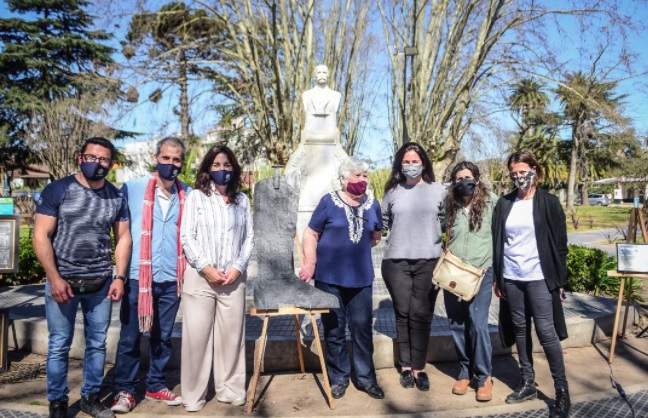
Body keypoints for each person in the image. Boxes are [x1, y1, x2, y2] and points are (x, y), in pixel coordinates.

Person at [34, 137, 131, 418]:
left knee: (97, 344)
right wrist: (53, 278)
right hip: (62, 282)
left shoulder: (117, 196)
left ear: (112, 164)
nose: (97, 163)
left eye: (104, 160)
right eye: (91, 157)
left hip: (100, 283)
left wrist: (119, 277)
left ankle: (90, 397)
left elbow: (123, 238)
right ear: (80, 157)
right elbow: (41, 235)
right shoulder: (57, 189)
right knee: (59, 344)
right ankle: (58, 403)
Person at [111, 137, 190, 413]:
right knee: (130, 337)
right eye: (166, 158)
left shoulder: (188, 194)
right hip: (136, 277)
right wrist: (118, 275)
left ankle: (156, 384)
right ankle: (126, 390)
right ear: (156, 158)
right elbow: (117, 230)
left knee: (163, 336)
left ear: (182, 163)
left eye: (176, 159)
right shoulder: (132, 189)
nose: (171, 164)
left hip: (171, 279)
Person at [492, 150, 570, 418]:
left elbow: (560, 244)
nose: (519, 177)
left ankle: (561, 391)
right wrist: (498, 277)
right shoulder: (504, 203)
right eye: (514, 174)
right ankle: (527, 382)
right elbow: (498, 242)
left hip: (539, 277)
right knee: (520, 328)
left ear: (535, 169)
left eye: (523, 171)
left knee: (546, 332)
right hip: (513, 277)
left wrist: (560, 280)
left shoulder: (548, 202)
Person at [299, 157, 384, 400]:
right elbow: (311, 233)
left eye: (365, 175)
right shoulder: (329, 202)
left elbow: (376, 236)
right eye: (357, 175)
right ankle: (339, 378)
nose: (363, 180)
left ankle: (366, 379)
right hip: (329, 279)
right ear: (343, 179)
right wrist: (310, 262)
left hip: (361, 279)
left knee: (362, 329)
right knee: (334, 330)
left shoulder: (372, 204)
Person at [179, 145, 254, 411]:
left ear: (233, 168)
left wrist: (237, 266)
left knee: (231, 338)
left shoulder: (242, 200)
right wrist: (206, 267)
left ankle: (230, 389)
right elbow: (187, 237)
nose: (222, 170)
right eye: (216, 165)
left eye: (226, 165)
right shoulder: (196, 197)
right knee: (196, 338)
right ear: (208, 169)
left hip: (233, 278)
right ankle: (193, 395)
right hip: (201, 277)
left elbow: (248, 238)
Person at [381, 142, 446, 391]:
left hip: (429, 261)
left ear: (424, 163)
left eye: (415, 161)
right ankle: (405, 366)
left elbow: (448, 220)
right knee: (403, 312)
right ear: (400, 164)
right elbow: (382, 222)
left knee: (422, 313)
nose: (411, 165)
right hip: (395, 261)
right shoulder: (392, 191)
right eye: (406, 162)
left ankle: (419, 367)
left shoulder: (438, 190)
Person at [444, 161, 497, 401]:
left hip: (481, 273)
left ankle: (484, 376)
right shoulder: (450, 206)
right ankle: (465, 371)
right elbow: (439, 230)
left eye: (467, 177)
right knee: (456, 324)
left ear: (476, 179)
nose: (462, 182)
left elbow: (501, 235)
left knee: (477, 324)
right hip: (453, 273)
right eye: (458, 179)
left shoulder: (492, 203)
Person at [302, 64, 342, 132]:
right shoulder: (306, 95)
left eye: (324, 72)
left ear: (328, 75)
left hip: (330, 134)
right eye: (319, 72)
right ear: (315, 75)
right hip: (310, 134)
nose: (322, 75)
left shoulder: (336, 95)